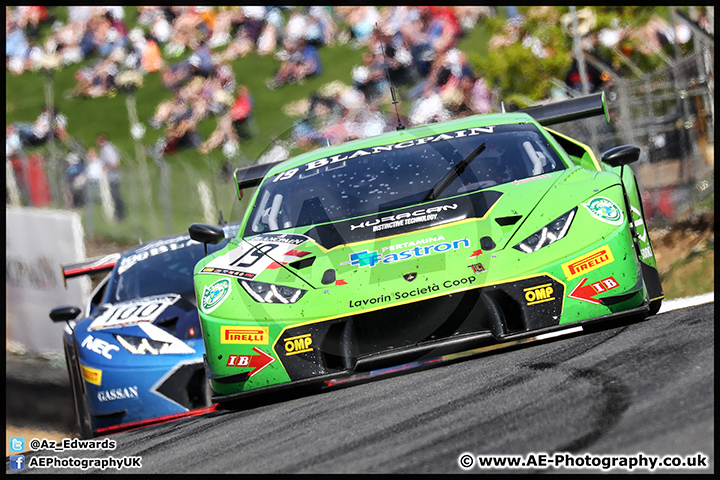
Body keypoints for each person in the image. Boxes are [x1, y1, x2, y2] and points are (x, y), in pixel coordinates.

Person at [96, 134, 125, 220]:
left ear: (103, 141)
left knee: (116, 195)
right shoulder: (103, 150)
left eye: (98, 141)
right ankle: (116, 213)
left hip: (114, 176)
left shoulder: (108, 150)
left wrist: (106, 167)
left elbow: (115, 164)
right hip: (109, 176)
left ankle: (121, 213)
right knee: (112, 196)